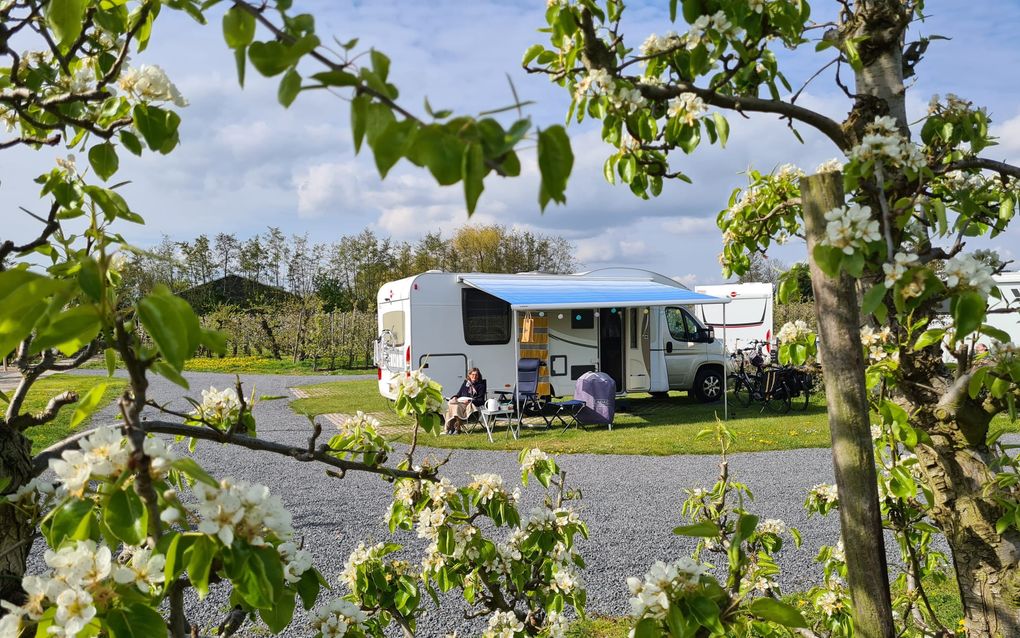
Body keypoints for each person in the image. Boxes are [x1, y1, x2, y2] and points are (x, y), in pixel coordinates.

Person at [445, 368, 486, 434]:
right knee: (450, 405)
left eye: (476, 375)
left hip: (473, 404)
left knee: (456, 407)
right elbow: (459, 394)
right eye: (472, 374)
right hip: (462, 403)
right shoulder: (465, 384)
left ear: (478, 376)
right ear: (469, 375)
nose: (474, 376)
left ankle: (457, 428)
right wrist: (455, 397)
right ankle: (451, 427)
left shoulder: (481, 385)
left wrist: (470, 401)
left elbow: (481, 400)